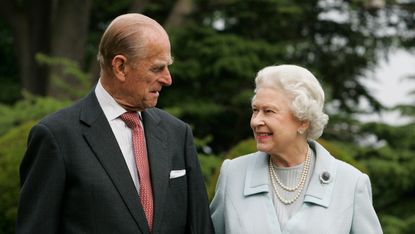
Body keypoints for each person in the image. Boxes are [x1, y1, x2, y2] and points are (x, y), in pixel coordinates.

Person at [17, 13, 214, 234]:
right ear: (120, 66)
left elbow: (201, 227)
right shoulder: (56, 136)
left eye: (168, 67)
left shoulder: (178, 133)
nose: (168, 79)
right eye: (157, 68)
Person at [210, 64, 383, 234]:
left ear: (303, 121)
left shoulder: (351, 183)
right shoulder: (232, 175)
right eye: (255, 110)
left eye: (269, 111)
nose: (256, 121)